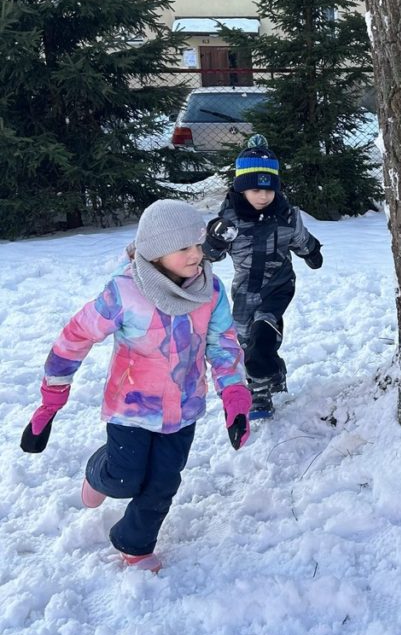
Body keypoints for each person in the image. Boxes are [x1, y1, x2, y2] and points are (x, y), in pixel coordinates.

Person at [20, 200, 252, 572]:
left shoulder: (210, 290)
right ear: (156, 253)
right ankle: (99, 472)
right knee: (125, 477)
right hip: (130, 407)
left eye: (198, 244)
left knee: (163, 483)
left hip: (183, 408)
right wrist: (51, 399)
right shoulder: (125, 291)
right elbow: (76, 336)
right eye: (184, 248)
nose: (197, 254)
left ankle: (135, 543)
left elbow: (222, 344)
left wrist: (235, 396)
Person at [203, 136, 323, 419]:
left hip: (279, 284)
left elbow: (300, 238)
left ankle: (258, 392)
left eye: (269, 190)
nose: (263, 196)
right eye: (255, 189)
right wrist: (213, 242)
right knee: (245, 339)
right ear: (242, 188)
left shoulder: (285, 215)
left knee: (263, 330)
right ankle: (274, 373)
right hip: (245, 288)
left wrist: (312, 252)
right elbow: (211, 255)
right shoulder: (230, 219)